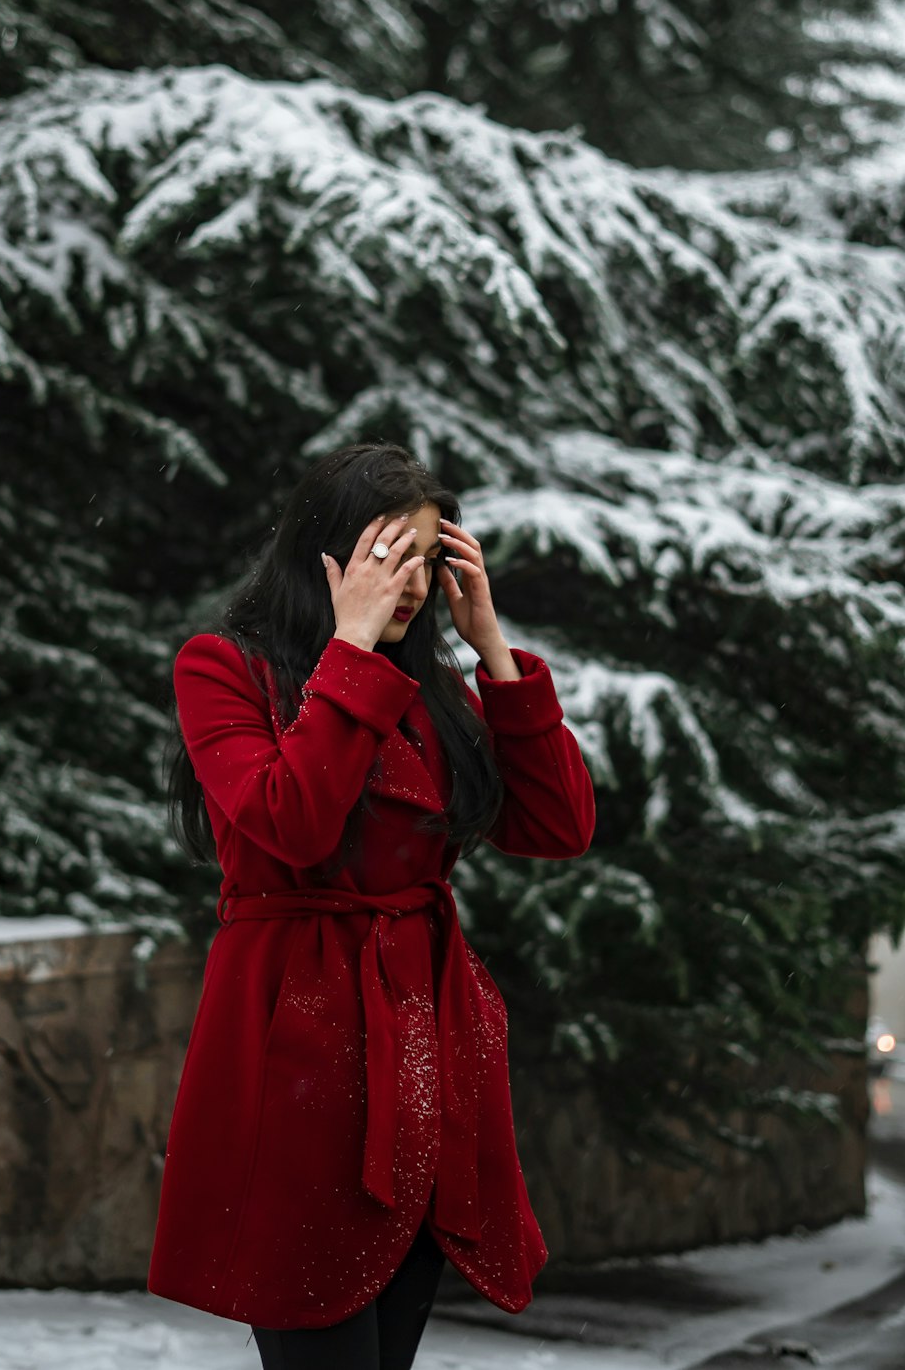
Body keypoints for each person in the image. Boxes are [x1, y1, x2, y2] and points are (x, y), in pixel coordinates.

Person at [147, 442, 596, 1370]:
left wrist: (492, 649)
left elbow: (555, 826)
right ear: (328, 554)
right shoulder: (225, 667)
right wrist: (349, 649)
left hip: (427, 1053)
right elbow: (292, 823)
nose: (412, 584)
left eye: (431, 560)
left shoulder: (426, 690)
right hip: (297, 1054)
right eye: (390, 556)